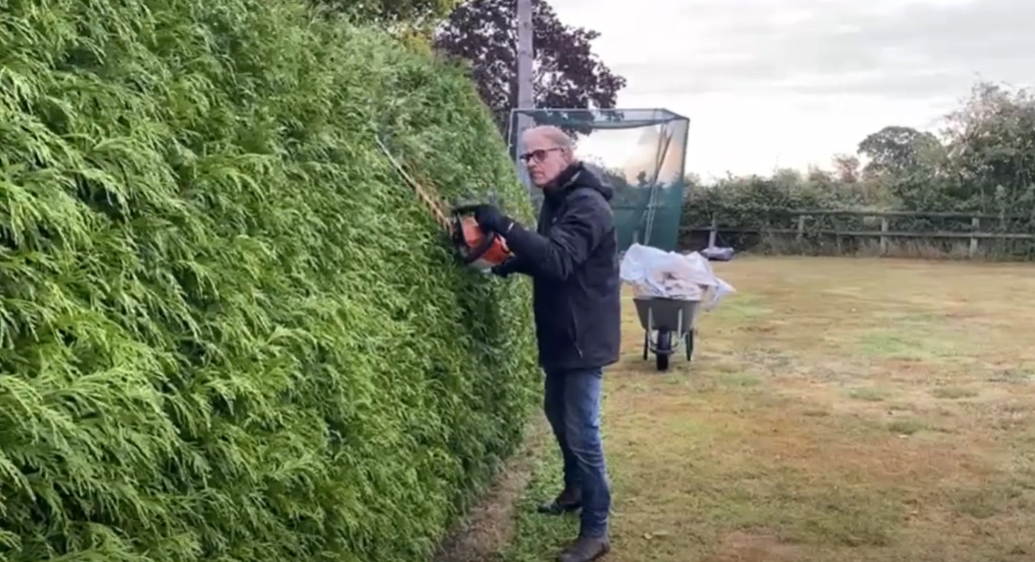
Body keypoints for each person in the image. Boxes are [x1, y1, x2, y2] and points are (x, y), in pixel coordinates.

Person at [471, 125, 621, 562]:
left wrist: (504, 224)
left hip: (582, 337)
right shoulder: (557, 201)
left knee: (583, 432)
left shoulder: (587, 206)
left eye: (539, 155)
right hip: (561, 332)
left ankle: (596, 530)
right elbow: (551, 261)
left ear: (566, 153)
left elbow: (557, 260)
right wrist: (508, 265)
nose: (531, 163)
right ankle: (575, 489)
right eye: (526, 158)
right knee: (558, 415)